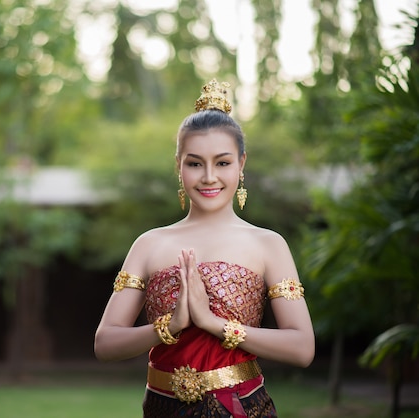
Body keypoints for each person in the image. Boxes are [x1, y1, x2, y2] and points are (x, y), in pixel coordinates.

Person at [94, 79, 315, 417]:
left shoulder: (268, 245)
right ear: (178, 165)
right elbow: (105, 344)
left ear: (241, 164)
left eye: (223, 163)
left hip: (240, 408)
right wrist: (171, 324)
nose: (209, 176)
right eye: (195, 163)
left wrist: (215, 324)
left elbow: (302, 348)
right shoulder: (150, 244)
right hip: (161, 408)